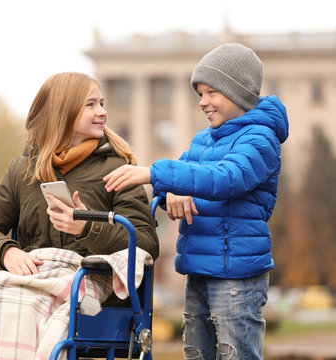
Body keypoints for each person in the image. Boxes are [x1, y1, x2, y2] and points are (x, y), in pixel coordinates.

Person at [104, 43, 289, 359]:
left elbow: (227, 178)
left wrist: (154, 173)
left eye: (211, 93)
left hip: (237, 276)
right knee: (196, 354)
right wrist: (171, 193)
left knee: (236, 354)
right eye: (200, 94)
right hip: (198, 270)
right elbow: (177, 182)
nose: (202, 102)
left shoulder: (260, 138)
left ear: (238, 93)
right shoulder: (203, 140)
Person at [0, 71, 159, 277]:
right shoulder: (23, 171)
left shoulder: (119, 170)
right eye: (90, 105)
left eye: (101, 103)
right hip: (34, 282)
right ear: (63, 112)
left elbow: (147, 244)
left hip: (92, 288)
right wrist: (6, 252)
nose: (102, 112)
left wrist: (88, 229)